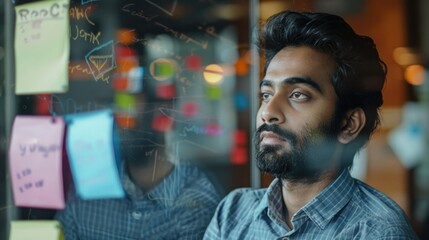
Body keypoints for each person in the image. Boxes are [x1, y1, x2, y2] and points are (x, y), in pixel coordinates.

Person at [204, 10, 419, 239]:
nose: (268, 112)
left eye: (298, 95)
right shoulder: (234, 212)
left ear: (348, 124)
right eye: (266, 94)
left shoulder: (377, 232)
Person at [56, 99, 221, 240]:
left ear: (163, 117)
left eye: (134, 111)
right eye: (121, 109)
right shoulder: (87, 193)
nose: (126, 121)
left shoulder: (196, 203)